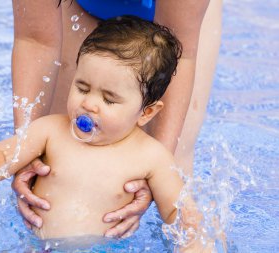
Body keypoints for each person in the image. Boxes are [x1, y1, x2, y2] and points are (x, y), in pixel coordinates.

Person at [0, 16, 210, 250]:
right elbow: (3, 153)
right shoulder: (51, 131)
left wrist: (194, 242)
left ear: (146, 113)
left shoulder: (152, 157)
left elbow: (180, 212)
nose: (89, 103)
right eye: (82, 88)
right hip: (37, 247)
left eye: (109, 99)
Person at [11, 0, 222, 238]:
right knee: (54, 166)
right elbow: (35, 40)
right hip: (80, 5)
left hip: (177, 27)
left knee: (176, 178)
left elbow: (181, 56)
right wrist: (25, 150)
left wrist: (153, 171)